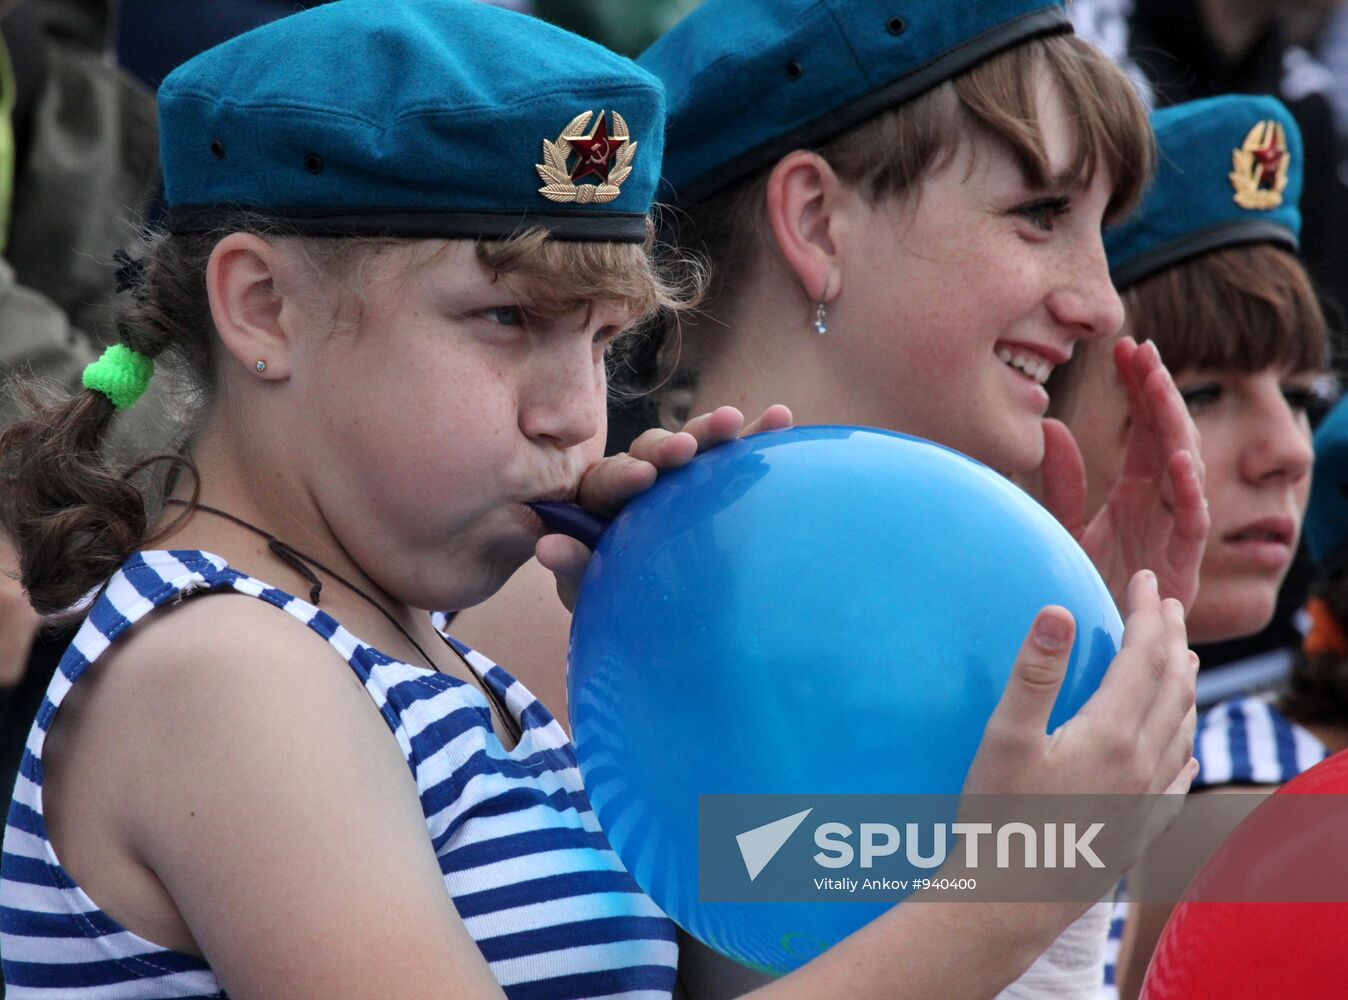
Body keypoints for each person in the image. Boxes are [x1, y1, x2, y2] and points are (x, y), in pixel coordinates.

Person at [0, 2, 1197, 997]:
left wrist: (703, 662)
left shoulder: (448, 666)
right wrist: (1003, 889)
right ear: (263, 306)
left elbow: (751, 969)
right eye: (508, 320)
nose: (574, 410)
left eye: (602, 339)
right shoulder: (225, 669)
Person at [453, 1, 1205, 996]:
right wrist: (1025, 866)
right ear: (814, 222)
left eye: (1099, 232)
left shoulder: (954, 614)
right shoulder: (571, 626)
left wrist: (1081, 664)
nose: (1101, 300)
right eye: (1039, 215)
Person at [1038, 94, 1332, 997]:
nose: (1288, 450)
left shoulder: (1301, 789)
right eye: (1200, 394)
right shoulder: (894, 786)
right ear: (1030, 404)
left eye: (1303, 395)